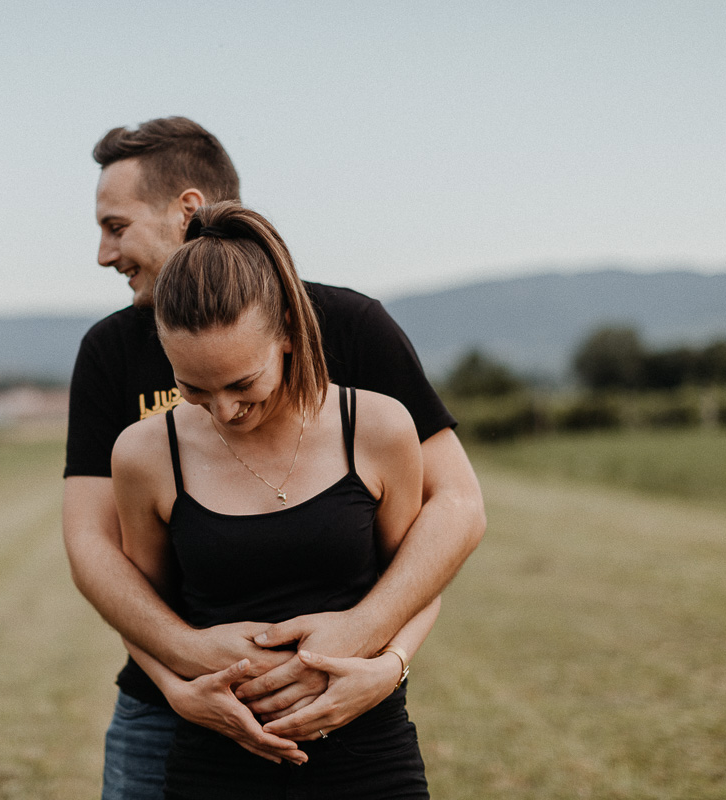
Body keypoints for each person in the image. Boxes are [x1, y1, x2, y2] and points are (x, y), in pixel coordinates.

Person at [63, 117, 485, 798]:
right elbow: (91, 540)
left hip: (350, 725)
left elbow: (457, 506)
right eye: (194, 388)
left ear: (188, 210)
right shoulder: (113, 353)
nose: (105, 254)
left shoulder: (350, 328)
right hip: (172, 715)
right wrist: (184, 665)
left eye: (116, 226)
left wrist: (369, 645)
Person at [113, 201, 436, 797]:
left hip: (370, 759)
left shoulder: (378, 427)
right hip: (216, 765)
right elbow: (138, 610)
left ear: (288, 328)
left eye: (242, 383)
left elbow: (417, 582)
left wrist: (389, 671)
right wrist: (178, 692)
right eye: (193, 389)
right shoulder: (143, 454)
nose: (225, 411)